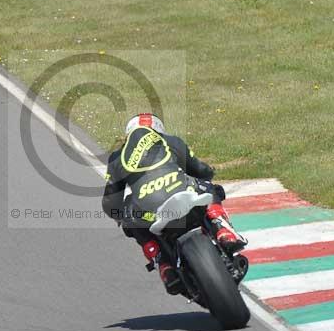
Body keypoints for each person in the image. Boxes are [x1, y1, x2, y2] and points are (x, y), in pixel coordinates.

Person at [102, 113, 246, 294]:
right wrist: (209, 172)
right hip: (181, 193)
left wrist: (120, 215)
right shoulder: (170, 141)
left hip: (150, 212)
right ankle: (223, 231)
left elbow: (110, 202)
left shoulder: (117, 158)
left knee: (131, 221)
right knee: (209, 188)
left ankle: (163, 266)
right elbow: (199, 169)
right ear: (158, 130)